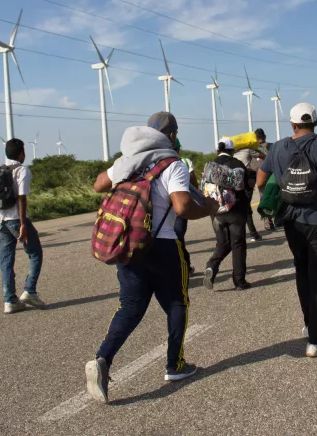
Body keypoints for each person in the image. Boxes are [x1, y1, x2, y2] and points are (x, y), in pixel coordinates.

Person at [85, 112, 219, 403]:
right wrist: (208, 208)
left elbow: (98, 184)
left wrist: (121, 170)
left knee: (130, 308)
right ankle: (175, 365)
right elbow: (182, 207)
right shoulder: (174, 164)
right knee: (176, 303)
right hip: (164, 247)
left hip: (130, 245)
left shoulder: (127, 161)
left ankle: (102, 359)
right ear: (171, 136)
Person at [257, 103, 317, 358]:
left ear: (292, 124)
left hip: (291, 221)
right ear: (316, 122)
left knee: (302, 270)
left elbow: (260, 180)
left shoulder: (277, 147)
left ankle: (309, 323)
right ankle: (315, 339)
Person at [0, 138, 45, 314]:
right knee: (35, 253)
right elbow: (21, 197)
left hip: (1, 221)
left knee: (6, 261)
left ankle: (10, 300)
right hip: (16, 219)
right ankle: (29, 291)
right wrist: (22, 224)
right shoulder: (22, 170)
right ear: (21, 153)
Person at [204, 138, 255, 291]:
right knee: (238, 245)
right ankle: (239, 281)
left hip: (216, 212)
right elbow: (245, 186)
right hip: (236, 211)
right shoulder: (237, 164)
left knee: (222, 243)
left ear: (217, 150)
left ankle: (212, 266)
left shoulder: (209, 165)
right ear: (232, 151)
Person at [233, 129, 267, 240]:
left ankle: (241, 233)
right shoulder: (248, 150)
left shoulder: (234, 152)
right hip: (246, 179)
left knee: (239, 206)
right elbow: (262, 156)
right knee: (246, 206)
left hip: (233, 180)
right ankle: (253, 234)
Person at [173, 138, 197, 275]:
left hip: (164, 207)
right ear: (178, 149)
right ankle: (184, 267)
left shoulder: (158, 162)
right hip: (181, 204)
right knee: (179, 237)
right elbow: (193, 182)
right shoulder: (185, 162)